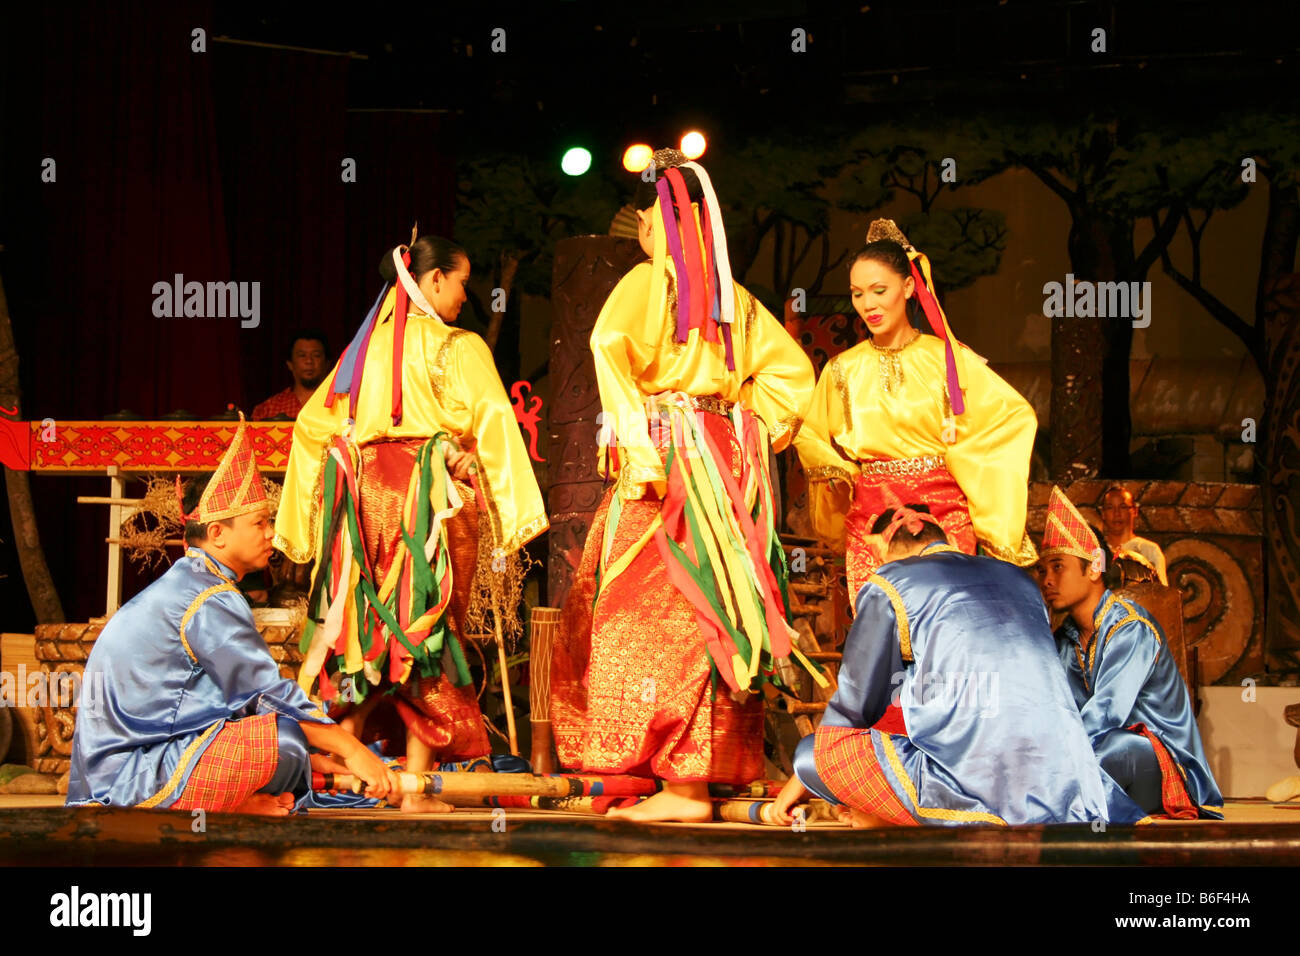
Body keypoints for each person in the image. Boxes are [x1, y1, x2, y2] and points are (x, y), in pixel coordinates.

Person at [550, 149, 818, 822]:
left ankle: (682, 785)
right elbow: (791, 379)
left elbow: (608, 351)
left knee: (642, 608)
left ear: (650, 226)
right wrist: (746, 433)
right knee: (711, 608)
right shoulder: (738, 299)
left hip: (669, 458)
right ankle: (689, 772)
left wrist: (641, 455)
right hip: (721, 462)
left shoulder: (648, 282)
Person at [274, 236, 547, 812]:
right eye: (461, 281)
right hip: (432, 500)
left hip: (368, 501)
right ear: (432, 282)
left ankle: (349, 764)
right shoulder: (459, 346)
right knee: (427, 632)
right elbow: (496, 417)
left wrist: (300, 525)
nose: (464, 295)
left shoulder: (361, 351)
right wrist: (517, 512)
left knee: (370, 635)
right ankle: (415, 787)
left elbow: (309, 427)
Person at [67, 413, 397, 814]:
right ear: (217, 533)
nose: (270, 533)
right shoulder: (209, 596)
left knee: (294, 743)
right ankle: (222, 804)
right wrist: (354, 751)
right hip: (133, 773)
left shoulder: (193, 582)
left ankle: (236, 801)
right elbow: (264, 695)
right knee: (284, 741)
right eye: (259, 522)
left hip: (127, 763)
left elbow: (233, 704)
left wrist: (323, 752)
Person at [772, 502, 1136, 827]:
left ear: (885, 549)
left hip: (972, 788)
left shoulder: (890, 582)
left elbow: (856, 706)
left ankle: (894, 815)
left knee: (813, 753)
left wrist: (810, 773)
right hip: (1070, 783)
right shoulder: (1022, 582)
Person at [794, 219, 1038, 607]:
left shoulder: (946, 360)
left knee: (946, 626)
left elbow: (1011, 417)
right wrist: (841, 471)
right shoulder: (841, 370)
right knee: (884, 627)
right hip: (874, 520)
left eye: (879, 290)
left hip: (943, 516)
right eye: (858, 294)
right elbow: (809, 433)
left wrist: (962, 464)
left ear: (908, 287)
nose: (868, 305)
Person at [1038, 485, 1223, 819]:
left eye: (1058, 567)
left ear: (1094, 567)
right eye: (1043, 570)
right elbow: (1056, 708)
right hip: (1095, 748)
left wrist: (1050, 758)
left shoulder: (1130, 628)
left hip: (1164, 762)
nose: (1047, 580)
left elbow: (1106, 713)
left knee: (1115, 750)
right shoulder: (1065, 638)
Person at [1099, 483, 1169, 586]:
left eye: (1123, 507)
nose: (1116, 513)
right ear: (1103, 513)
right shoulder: (1097, 551)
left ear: (1135, 511)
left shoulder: (1150, 550)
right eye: (1110, 508)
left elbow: (1162, 593)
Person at [253, 329, 330, 421]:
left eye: (316, 355)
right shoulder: (267, 410)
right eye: (302, 355)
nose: (309, 361)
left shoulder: (342, 405)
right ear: (290, 364)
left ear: (327, 363)